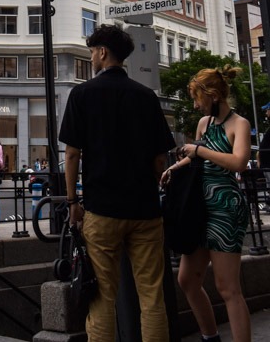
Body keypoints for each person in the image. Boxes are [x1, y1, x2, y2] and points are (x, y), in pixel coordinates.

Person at [59, 24, 175, 342]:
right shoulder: (146, 97)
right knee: (152, 297)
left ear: (102, 52)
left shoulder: (81, 94)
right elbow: (159, 159)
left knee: (101, 300)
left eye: (92, 51)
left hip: (102, 210)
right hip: (145, 211)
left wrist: (72, 203)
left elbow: (72, 155)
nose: (91, 57)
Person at [162, 66, 251, 342]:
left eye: (197, 97)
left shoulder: (240, 124)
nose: (195, 103)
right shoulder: (205, 124)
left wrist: (199, 150)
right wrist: (176, 166)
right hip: (200, 207)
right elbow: (198, 157)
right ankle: (210, 336)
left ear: (212, 95)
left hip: (225, 208)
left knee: (228, 288)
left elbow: (238, 163)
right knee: (188, 280)